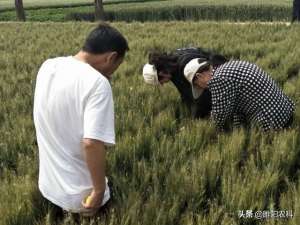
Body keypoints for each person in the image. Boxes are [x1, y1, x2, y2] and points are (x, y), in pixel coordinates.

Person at [33, 23, 129, 217]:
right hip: (82, 198)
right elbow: (92, 143)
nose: (112, 73)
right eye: (115, 66)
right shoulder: (97, 83)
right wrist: (99, 191)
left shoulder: (48, 65)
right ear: (110, 57)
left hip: (48, 187)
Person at [183, 58, 295, 131]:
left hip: (272, 122)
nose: (202, 88)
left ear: (199, 77)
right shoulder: (228, 67)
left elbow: (219, 117)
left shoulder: (218, 80)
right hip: (284, 111)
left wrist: (201, 131)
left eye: (197, 85)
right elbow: (236, 106)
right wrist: (237, 130)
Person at [143, 47, 227, 118]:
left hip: (224, 81)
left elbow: (204, 94)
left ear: (161, 73)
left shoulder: (185, 67)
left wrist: (196, 117)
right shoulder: (172, 66)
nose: (162, 84)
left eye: (160, 82)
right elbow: (184, 91)